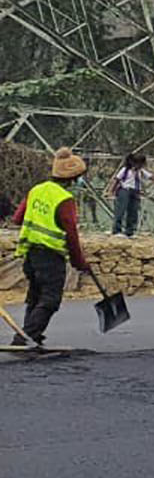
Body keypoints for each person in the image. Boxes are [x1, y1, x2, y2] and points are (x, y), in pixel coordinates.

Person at [10, 149, 96, 349]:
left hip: (30, 254)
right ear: (74, 179)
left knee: (35, 295)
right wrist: (79, 262)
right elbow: (71, 235)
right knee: (50, 299)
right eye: (80, 179)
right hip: (50, 255)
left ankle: (30, 335)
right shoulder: (65, 200)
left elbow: (17, 218)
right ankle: (26, 337)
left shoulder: (36, 190)